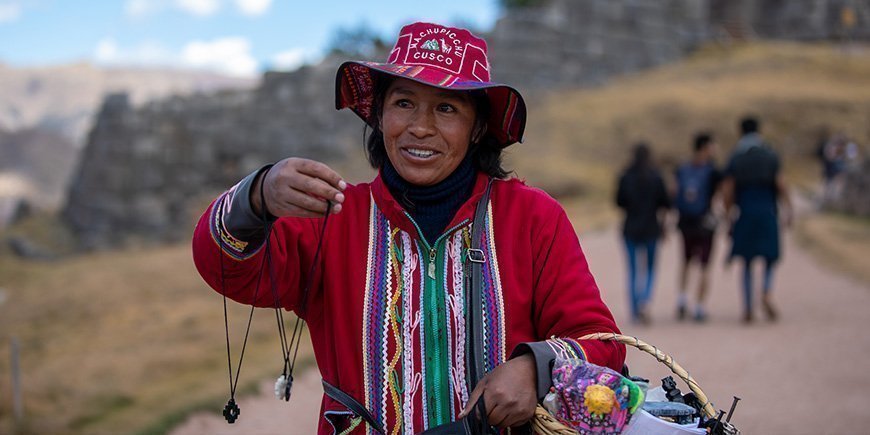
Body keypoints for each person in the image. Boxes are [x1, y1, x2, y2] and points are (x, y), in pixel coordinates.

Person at [192, 22, 624, 433]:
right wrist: (256, 197)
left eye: (446, 108)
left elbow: (601, 343)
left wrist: (534, 366)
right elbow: (223, 263)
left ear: (476, 130)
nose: (420, 126)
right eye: (403, 103)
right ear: (379, 116)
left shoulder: (532, 217)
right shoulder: (334, 219)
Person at [721, 116, 792, 324]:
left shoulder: (736, 157)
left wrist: (728, 214)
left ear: (740, 132)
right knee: (770, 257)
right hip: (768, 211)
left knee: (746, 261)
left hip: (745, 212)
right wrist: (789, 209)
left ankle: (747, 306)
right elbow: (781, 184)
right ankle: (767, 291)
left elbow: (728, 189)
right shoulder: (770, 155)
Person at [616, 142, 671, 324]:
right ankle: (645, 300)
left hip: (630, 227)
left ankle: (634, 308)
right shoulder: (656, 176)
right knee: (649, 268)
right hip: (651, 227)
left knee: (632, 270)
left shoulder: (625, 176)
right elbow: (666, 202)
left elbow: (619, 202)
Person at [673, 133, 722, 322]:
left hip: (686, 222)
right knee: (704, 265)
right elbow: (720, 195)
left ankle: (681, 299)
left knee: (685, 261)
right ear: (705, 147)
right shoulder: (713, 171)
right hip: (705, 223)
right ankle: (699, 307)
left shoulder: (683, 168)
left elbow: (675, 193)